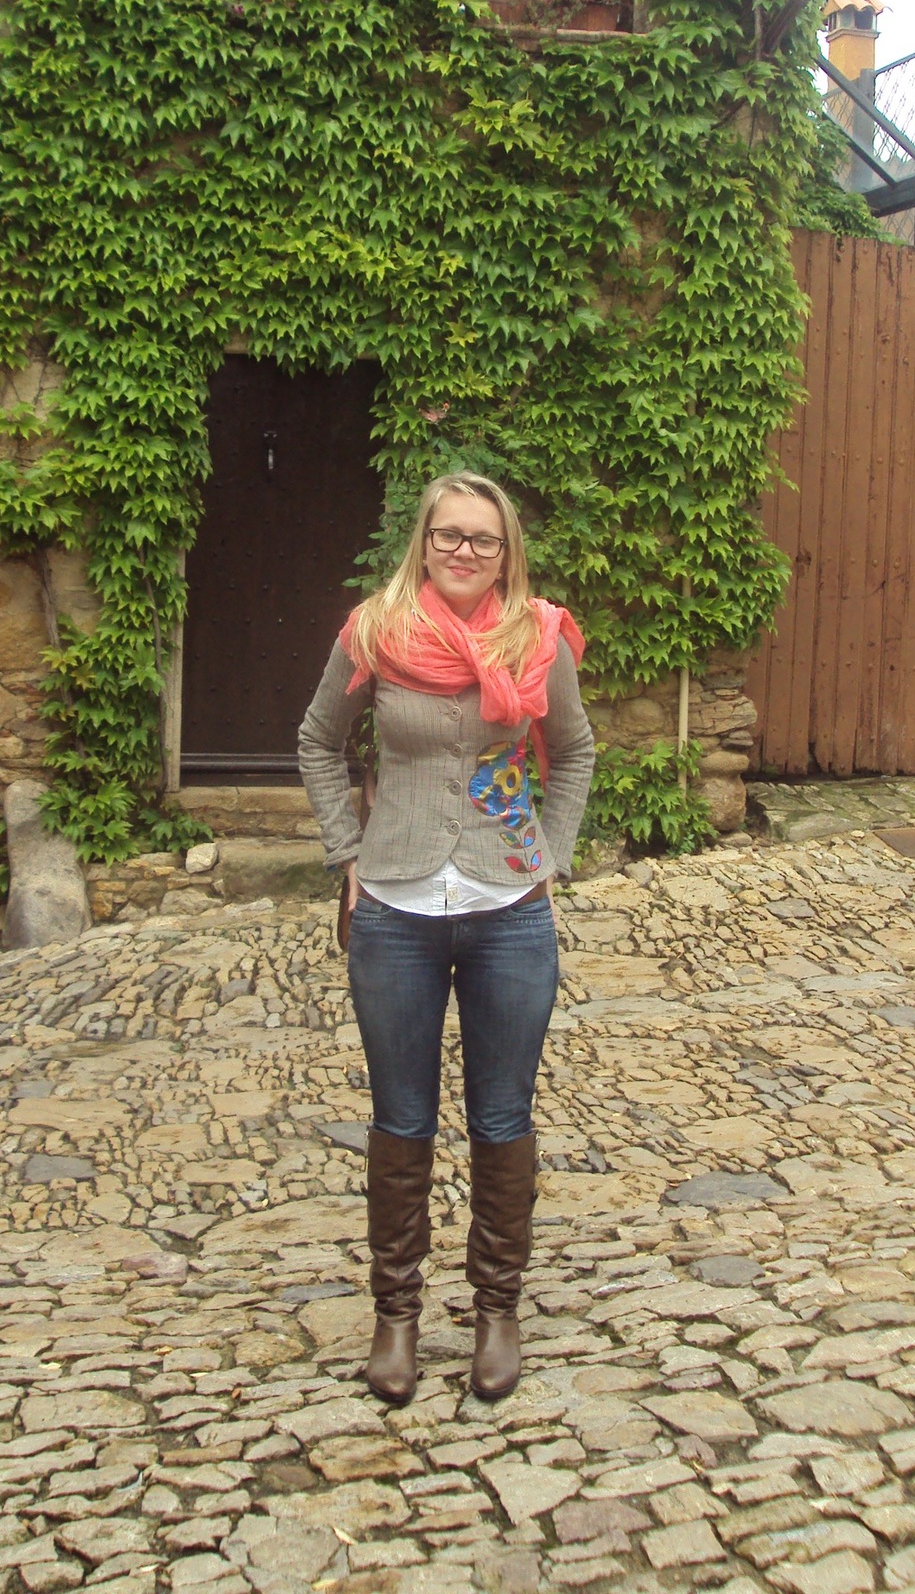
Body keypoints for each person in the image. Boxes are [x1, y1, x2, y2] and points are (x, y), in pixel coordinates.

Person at [298, 471, 595, 1407]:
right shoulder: (374, 633)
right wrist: (347, 852)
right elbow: (318, 740)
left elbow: (575, 752)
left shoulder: (537, 638)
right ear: (423, 543)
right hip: (395, 907)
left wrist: (551, 857)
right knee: (402, 1118)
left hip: (511, 905)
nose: (465, 551)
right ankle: (396, 1314)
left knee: (503, 1117)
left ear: (506, 554)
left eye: (483, 539)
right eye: (449, 535)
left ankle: (497, 1309)